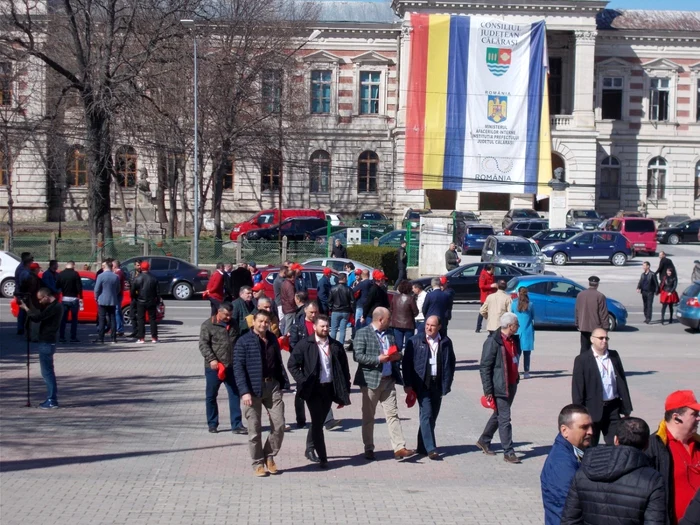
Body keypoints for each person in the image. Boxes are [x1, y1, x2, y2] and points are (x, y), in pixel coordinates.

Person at [561, 417, 667, 525]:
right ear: (647, 444)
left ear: (615, 440)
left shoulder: (584, 472)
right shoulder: (653, 480)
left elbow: (570, 520)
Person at [287, 315, 351, 469]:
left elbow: (344, 369)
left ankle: (309, 447)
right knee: (317, 422)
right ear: (314, 327)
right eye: (322, 326)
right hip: (312, 389)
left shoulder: (335, 346)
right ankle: (323, 457)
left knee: (319, 422)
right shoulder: (305, 344)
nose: (325, 329)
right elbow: (292, 365)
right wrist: (303, 380)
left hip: (328, 388)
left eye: (327, 326)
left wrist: (345, 391)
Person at [353, 307, 415, 461]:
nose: (391, 321)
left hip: (388, 380)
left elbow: (397, 352)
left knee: (393, 415)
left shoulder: (389, 333)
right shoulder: (363, 333)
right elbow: (358, 356)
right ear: (380, 319)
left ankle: (399, 447)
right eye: (389, 318)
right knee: (368, 417)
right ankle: (368, 448)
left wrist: (396, 356)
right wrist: (377, 359)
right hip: (371, 382)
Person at [233, 310, 289, 477]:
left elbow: (278, 363)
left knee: (279, 425)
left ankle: (269, 455)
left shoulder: (272, 338)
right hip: (252, 389)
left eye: (266, 322)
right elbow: (238, 368)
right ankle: (257, 462)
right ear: (253, 322)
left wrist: (282, 383)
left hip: (272, 386)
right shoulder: (243, 341)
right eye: (260, 321)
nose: (263, 324)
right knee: (254, 429)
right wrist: (244, 392)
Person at [402, 315, 456, 460]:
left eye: (432, 325)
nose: (428, 328)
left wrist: (448, 381)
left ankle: (422, 446)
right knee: (426, 414)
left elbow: (451, 362)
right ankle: (431, 449)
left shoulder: (445, 342)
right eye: (427, 325)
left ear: (439, 327)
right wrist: (407, 384)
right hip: (422, 383)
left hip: (437, 384)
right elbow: (406, 364)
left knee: (432, 417)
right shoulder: (415, 341)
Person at [572, 327, 633, 446]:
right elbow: (577, 389)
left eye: (606, 338)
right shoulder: (582, 360)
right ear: (592, 340)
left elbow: (622, 382)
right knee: (590, 446)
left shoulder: (614, 356)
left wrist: (627, 407)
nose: (604, 341)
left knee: (615, 444)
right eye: (601, 338)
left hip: (612, 408)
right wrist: (579, 412)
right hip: (592, 409)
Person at [646, 390, 700, 524]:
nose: (698, 418)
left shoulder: (698, 444)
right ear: (676, 417)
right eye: (694, 414)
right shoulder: (654, 446)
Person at [477, 312, 522, 464]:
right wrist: (488, 390)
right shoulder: (493, 342)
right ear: (510, 326)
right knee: (505, 418)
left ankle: (484, 440)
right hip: (499, 386)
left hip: (512, 383)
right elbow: (485, 367)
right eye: (517, 324)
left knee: (499, 414)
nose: (518, 327)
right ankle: (508, 452)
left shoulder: (514, 340)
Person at [540, 404, 594, 525]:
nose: (590, 432)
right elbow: (568, 509)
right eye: (584, 427)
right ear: (565, 430)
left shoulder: (578, 451)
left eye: (591, 426)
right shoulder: (561, 464)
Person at [199, 302, 246, 435]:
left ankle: (237, 425)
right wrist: (212, 359)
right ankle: (212, 423)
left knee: (235, 394)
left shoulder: (234, 324)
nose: (228, 317)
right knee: (211, 395)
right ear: (219, 312)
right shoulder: (208, 325)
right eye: (226, 315)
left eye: (230, 315)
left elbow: (238, 341)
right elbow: (203, 344)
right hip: (214, 367)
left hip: (231, 366)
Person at [19, 288, 63, 409]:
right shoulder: (55, 306)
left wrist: (27, 309)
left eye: (40, 299)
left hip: (47, 342)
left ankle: (52, 399)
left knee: (47, 373)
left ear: (46, 296)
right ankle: (52, 398)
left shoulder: (54, 308)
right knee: (49, 371)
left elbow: (37, 318)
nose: (39, 302)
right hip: (49, 341)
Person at [574, 276, 609, 354]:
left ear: (589, 283)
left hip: (583, 326)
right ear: (597, 284)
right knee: (597, 349)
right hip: (596, 328)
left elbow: (577, 310)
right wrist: (605, 328)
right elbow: (603, 313)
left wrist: (577, 324)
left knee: (584, 348)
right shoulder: (600, 296)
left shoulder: (580, 295)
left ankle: (583, 364)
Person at [131, 261, 159, 344]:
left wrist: (135, 298)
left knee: (141, 319)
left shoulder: (137, 278)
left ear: (141, 268)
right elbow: (157, 292)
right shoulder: (154, 278)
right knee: (153, 319)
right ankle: (154, 338)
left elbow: (132, 291)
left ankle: (141, 338)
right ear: (149, 267)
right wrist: (157, 300)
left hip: (140, 301)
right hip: (151, 301)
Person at [94, 260, 121, 344]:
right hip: (112, 300)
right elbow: (118, 289)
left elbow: (97, 289)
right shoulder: (115, 276)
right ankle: (113, 338)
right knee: (113, 318)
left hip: (102, 300)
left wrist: (96, 297)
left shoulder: (101, 276)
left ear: (105, 267)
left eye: (103, 266)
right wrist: (114, 294)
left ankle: (101, 338)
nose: (102, 267)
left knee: (102, 319)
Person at [511, 287, 535, 378]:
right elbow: (533, 317)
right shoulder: (530, 305)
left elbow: (512, 315)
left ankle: (514, 370)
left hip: (517, 331)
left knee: (517, 353)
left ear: (518, 293)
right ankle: (526, 372)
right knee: (527, 354)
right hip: (527, 331)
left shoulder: (514, 304)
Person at [57, 261, 83, 343]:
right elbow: (79, 287)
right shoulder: (75, 274)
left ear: (66, 265)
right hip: (74, 299)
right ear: (73, 266)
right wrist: (81, 297)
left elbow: (57, 285)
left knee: (63, 319)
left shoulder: (61, 274)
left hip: (64, 298)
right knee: (74, 319)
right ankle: (73, 337)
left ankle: (61, 336)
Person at [390, 280, 418, 351]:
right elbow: (416, 312)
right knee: (409, 345)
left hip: (396, 324)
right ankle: (407, 360)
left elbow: (391, 309)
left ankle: (397, 360)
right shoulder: (411, 299)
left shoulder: (395, 297)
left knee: (398, 345)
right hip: (409, 324)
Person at [329, 273, 354, 346]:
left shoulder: (333, 288)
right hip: (345, 311)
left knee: (334, 329)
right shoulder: (348, 289)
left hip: (335, 310)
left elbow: (330, 301)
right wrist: (351, 311)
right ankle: (340, 346)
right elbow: (352, 301)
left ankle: (332, 345)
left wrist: (331, 309)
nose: (347, 280)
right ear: (343, 279)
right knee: (343, 330)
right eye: (346, 278)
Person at [21, 263, 43, 341]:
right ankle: (34, 337)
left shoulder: (27, 277)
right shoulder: (34, 278)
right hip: (34, 301)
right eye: (38, 268)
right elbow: (34, 291)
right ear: (36, 269)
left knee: (29, 318)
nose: (39, 270)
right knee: (35, 319)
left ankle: (28, 335)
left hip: (28, 300)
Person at [15, 252, 33, 335]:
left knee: (23, 311)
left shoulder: (22, 267)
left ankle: (21, 328)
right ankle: (21, 328)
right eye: (31, 260)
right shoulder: (23, 269)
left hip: (21, 292)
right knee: (23, 311)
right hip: (22, 293)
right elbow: (23, 283)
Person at [476, 264, 497, 333]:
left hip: (491, 296)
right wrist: (491, 286)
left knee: (491, 312)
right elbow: (481, 286)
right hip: (485, 297)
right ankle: (478, 327)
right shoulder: (483, 275)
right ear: (490, 269)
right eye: (493, 269)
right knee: (482, 312)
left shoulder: (491, 275)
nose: (494, 270)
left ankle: (491, 327)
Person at [280, 269, 297, 335]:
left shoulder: (284, 283)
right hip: (290, 309)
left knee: (286, 325)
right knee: (288, 327)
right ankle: (285, 341)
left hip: (286, 308)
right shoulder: (289, 286)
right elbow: (291, 299)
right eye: (294, 276)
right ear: (292, 276)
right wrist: (295, 306)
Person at [112, 260, 126, 336]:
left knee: (117, 311)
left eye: (112, 265)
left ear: (115, 266)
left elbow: (116, 283)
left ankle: (119, 328)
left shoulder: (118, 273)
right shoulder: (117, 273)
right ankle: (119, 328)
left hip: (117, 294)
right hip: (118, 294)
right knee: (118, 311)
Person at [273, 266, 287, 332]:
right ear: (284, 272)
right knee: (282, 322)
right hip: (280, 304)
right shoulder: (280, 281)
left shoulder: (281, 279)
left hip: (282, 303)